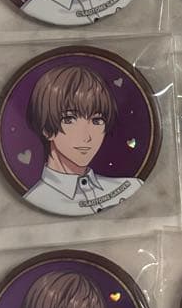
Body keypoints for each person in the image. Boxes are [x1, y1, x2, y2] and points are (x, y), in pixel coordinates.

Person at [22, 65, 141, 215]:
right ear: (46, 129)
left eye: (97, 121)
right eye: (69, 119)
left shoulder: (132, 187)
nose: (87, 137)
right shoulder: (34, 202)